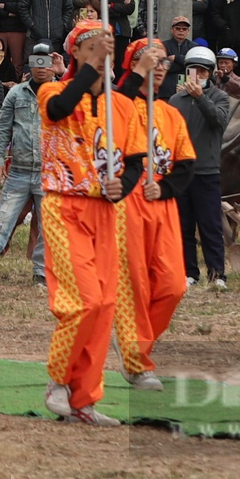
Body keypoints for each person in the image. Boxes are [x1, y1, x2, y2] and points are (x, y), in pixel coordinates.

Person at [38, 22, 146, 426]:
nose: (104, 53)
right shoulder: (53, 90)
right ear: (76, 54)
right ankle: (58, 380)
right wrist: (90, 68)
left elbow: (135, 161)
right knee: (81, 301)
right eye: (93, 47)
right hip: (65, 207)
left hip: (106, 212)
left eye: (108, 47)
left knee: (103, 306)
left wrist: (126, 186)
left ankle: (85, 397)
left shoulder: (122, 105)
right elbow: (59, 110)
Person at [114, 38, 196, 390]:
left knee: (173, 284)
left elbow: (186, 163)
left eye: (164, 62)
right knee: (134, 283)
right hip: (127, 202)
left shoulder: (171, 113)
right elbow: (118, 100)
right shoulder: (117, 106)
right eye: (153, 61)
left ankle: (136, 344)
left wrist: (163, 189)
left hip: (161, 203)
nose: (161, 67)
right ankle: (137, 362)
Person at [0, 43, 53, 286]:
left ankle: (42, 272)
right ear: (29, 64)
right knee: (2, 219)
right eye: (36, 62)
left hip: (49, 172)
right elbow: (3, 128)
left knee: (48, 226)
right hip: (19, 170)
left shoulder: (60, 92)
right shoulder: (16, 94)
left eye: (45, 62)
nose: (41, 68)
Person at [168, 45, 230, 289]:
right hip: (181, 173)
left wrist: (200, 98)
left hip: (207, 171)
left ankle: (217, 275)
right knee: (183, 227)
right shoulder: (175, 101)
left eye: (203, 72)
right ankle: (189, 273)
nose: (198, 76)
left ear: (211, 73)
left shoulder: (219, 97)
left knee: (210, 226)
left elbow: (219, 121)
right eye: (193, 71)